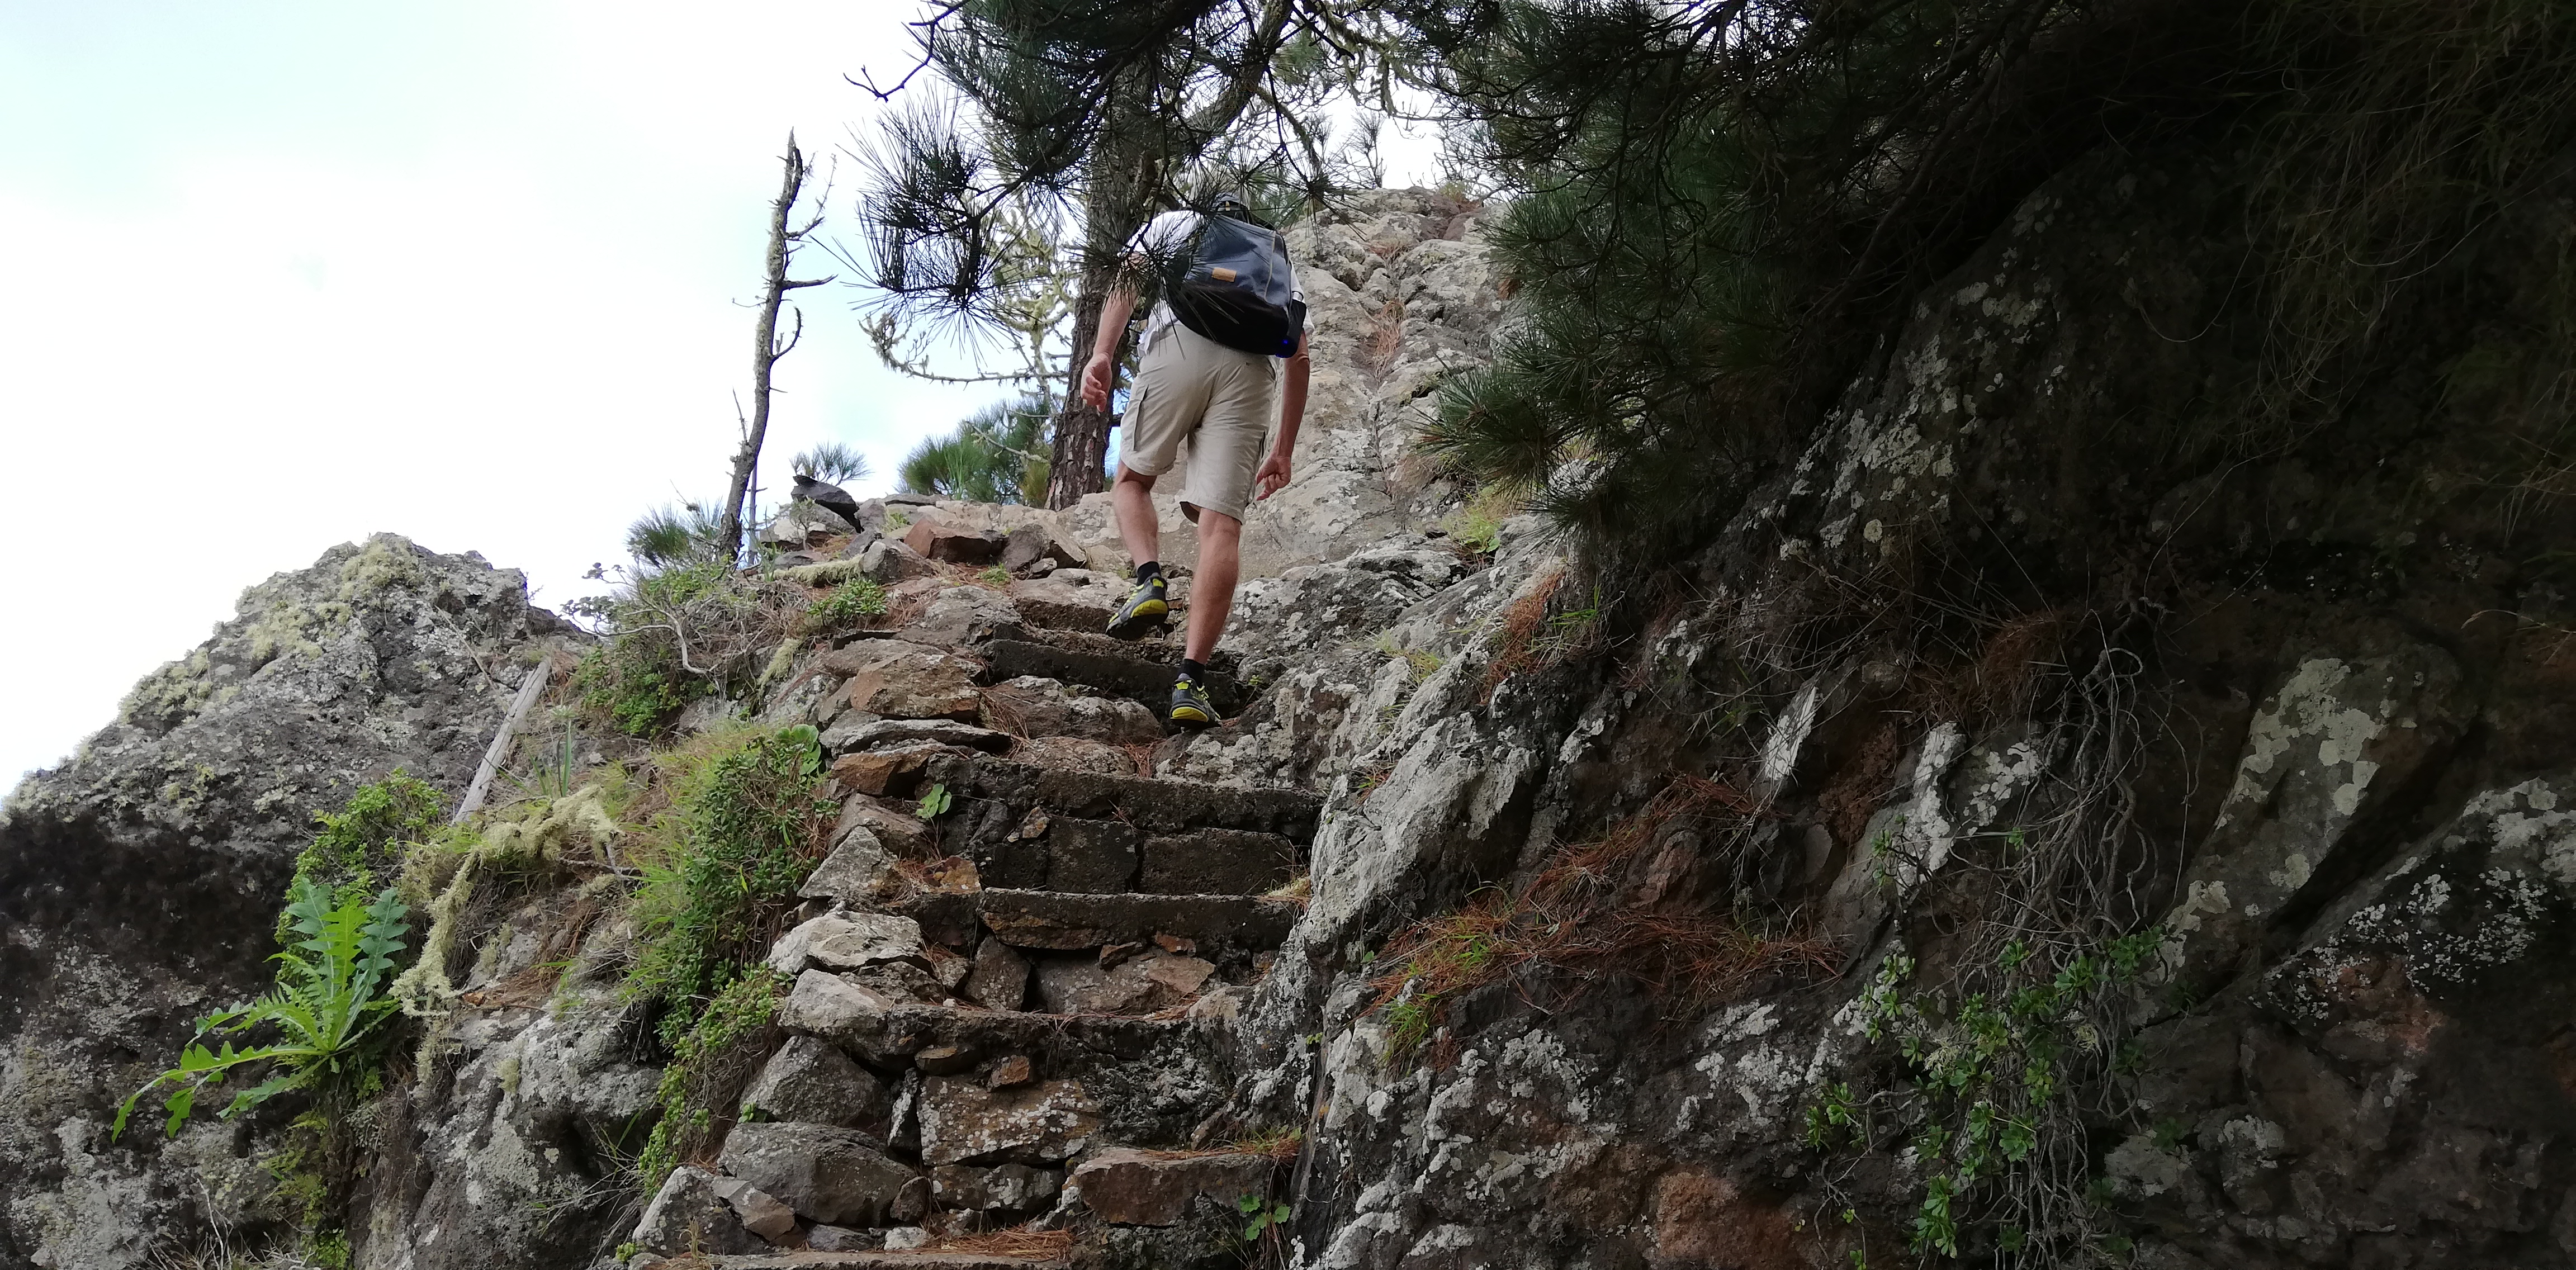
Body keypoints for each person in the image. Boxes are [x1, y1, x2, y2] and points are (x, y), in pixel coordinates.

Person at [1078, 192, 1308, 727]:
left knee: (1132, 480)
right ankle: (1190, 681)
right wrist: (1283, 450)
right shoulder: (1275, 256)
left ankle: (1150, 581)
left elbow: (1129, 277)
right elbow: (1299, 357)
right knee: (1221, 527)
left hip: (1178, 344)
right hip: (1251, 371)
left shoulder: (1177, 223)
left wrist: (1104, 353)